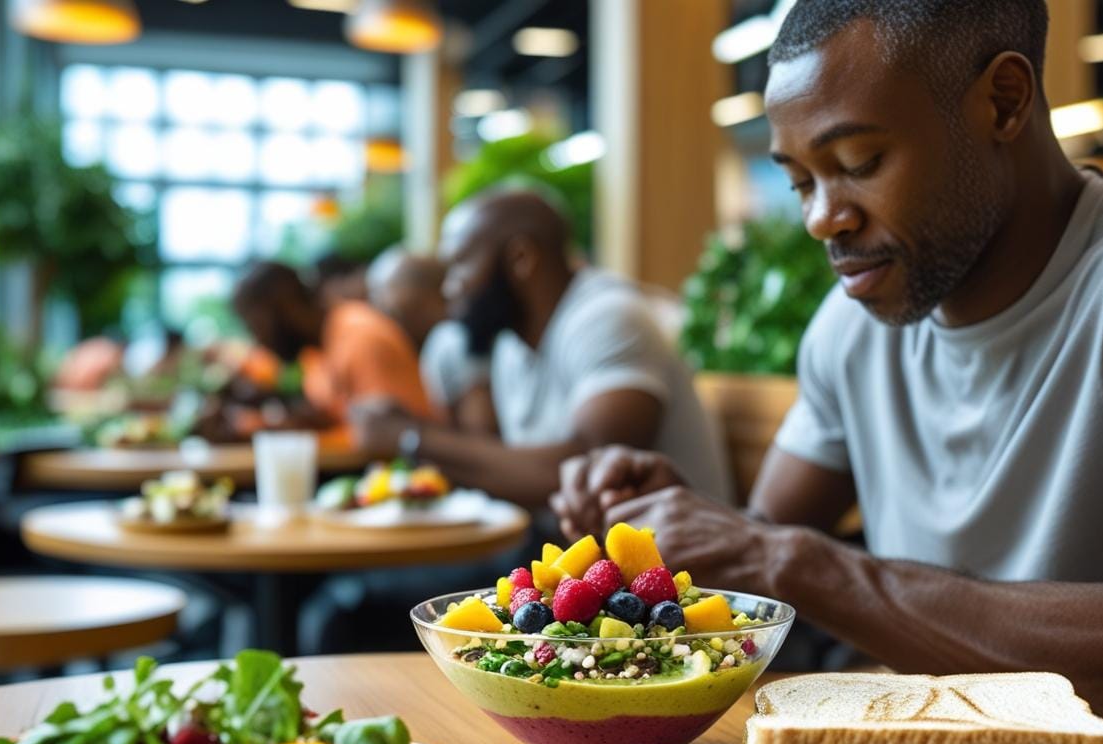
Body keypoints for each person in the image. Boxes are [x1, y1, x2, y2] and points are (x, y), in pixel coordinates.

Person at [552, 0, 1103, 744]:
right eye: (801, 182)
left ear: (1004, 102)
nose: (821, 219)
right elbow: (763, 559)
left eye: (858, 163)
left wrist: (785, 560)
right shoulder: (850, 326)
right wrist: (687, 523)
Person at [349, 189, 732, 510]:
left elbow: (585, 472)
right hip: (573, 559)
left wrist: (412, 438)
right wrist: (413, 432)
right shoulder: (511, 342)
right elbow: (509, 464)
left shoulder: (606, 317)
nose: (449, 288)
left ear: (521, 259)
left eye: (460, 266)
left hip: (671, 566)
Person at [231, 261, 434, 426]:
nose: (257, 341)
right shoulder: (316, 351)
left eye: (255, 325)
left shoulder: (360, 337)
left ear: (287, 306)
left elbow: (391, 432)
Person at [367, 246, 500, 435]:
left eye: (394, 312)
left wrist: (407, 431)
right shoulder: (445, 341)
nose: (380, 309)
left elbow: (482, 439)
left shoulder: (449, 342)